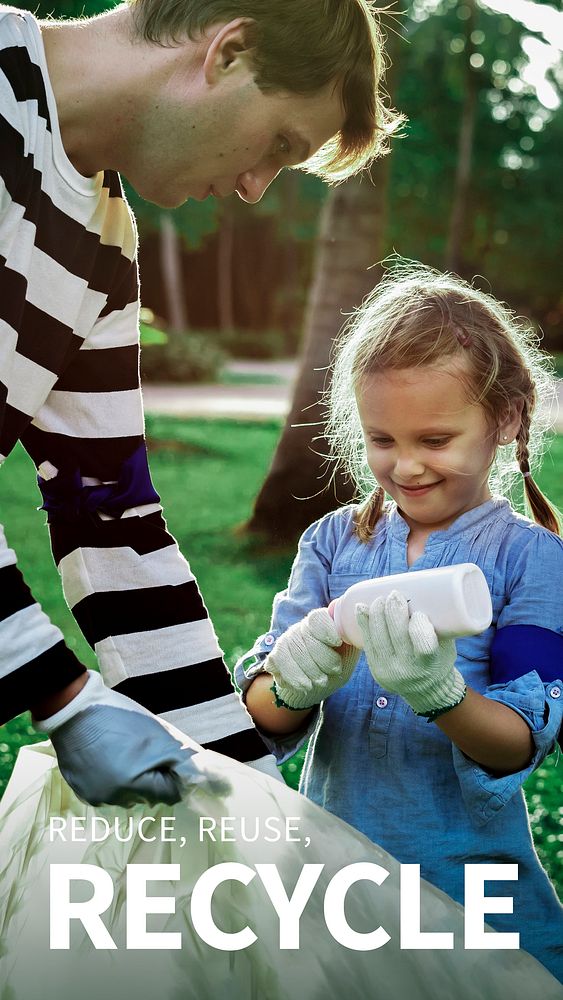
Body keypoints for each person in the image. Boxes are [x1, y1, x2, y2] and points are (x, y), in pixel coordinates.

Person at [0, 0, 402, 806]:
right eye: (278, 146)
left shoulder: (105, 249)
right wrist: (63, 698)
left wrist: (251, 804)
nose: (256, 188)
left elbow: (109, 520)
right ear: (229, 52)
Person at [236, 261, 563, 981]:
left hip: (465, 892)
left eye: (434, 440)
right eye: (383, 440)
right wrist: (293, 679)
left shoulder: (533, 561)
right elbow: (258, 717)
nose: (406, 466)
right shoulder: (329, 545)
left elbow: (518, 744)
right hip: (330, 884)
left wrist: (436, 692)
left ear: (505, 417)